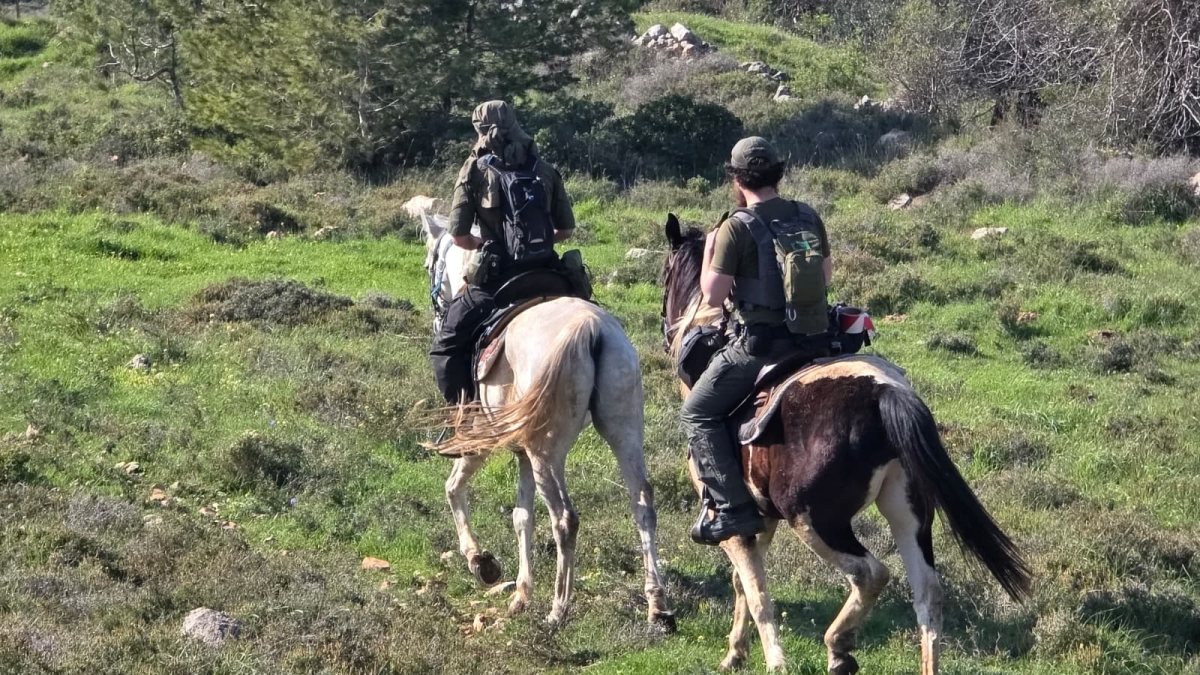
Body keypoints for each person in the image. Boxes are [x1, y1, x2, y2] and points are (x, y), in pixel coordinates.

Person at [682, 136, 833, 545]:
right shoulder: (807, 214)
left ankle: (732, 509)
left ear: (736, 179)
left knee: (696, 413)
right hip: (814, 340)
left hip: (760, 346)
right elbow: (825, 277)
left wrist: (711, 250)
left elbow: (712, 297)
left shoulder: (736, 226)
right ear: (778, 174)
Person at [429, 100, 576, 404]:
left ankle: (465, 417)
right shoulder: (544, 169)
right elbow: (566, 231)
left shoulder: (474, 171)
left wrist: (483, 245)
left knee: (446, 346)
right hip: (548, 272)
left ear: (479, 130)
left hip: (499, 278)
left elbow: (458, 236)